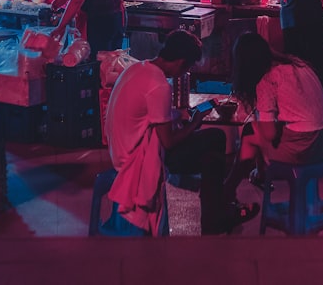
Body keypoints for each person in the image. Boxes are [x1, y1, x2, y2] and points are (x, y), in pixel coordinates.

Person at [105, 31, 252, 235]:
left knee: (211, 157)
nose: (185, 73)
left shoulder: (138, 68)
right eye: (188, 67)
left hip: (117, 149)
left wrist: (178, 118)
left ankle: (216, 213)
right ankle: (216, 214)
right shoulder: (159, 85)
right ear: (181, 62)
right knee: (215, 138)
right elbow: (168, 142)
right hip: (136, 157)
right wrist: (195, 123)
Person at [224, 33, 323, 204]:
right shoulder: (299, 65)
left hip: (303, 148)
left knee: (251, 131)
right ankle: (258, 174)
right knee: (262, 127)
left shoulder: (267, 78)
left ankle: (229, 189)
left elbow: (268, 134)